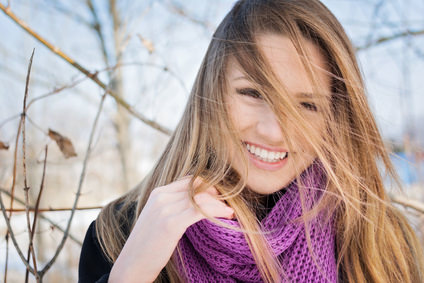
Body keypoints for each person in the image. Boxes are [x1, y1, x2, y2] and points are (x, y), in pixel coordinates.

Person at [78, 0, 424, 282]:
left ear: (334, 118)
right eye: (253, 93)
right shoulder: (122, 234)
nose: (274, 131)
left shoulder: (381, 243)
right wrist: (131, 274)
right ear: (210, 94)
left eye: (306, 105)